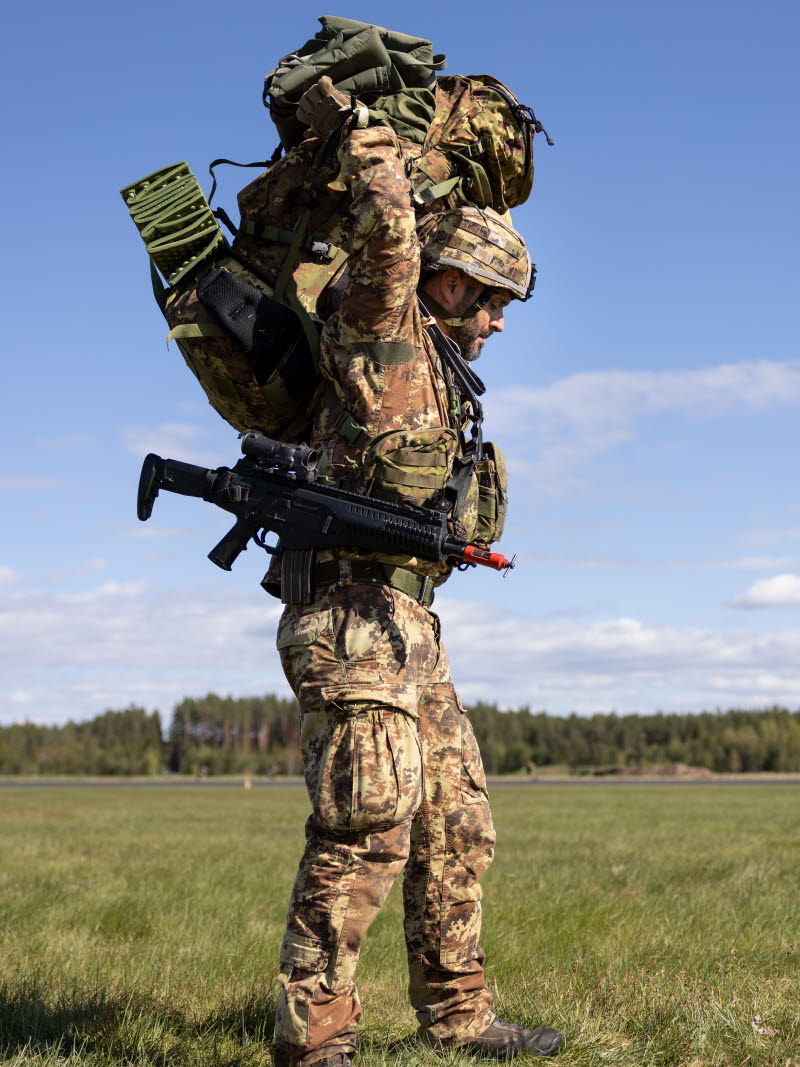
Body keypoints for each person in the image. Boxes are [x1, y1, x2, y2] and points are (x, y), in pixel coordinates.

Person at [270, 78, 563, 1065]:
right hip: (350, 619)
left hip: (406, 620)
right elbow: (389, 225)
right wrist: (358, 128)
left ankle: (459, 1015)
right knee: (368, 820)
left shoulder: (438, 373)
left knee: (456, 815)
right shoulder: (377, 324)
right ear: (448, 285)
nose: (499, 323)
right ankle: (314, 1039)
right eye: (492, 300)